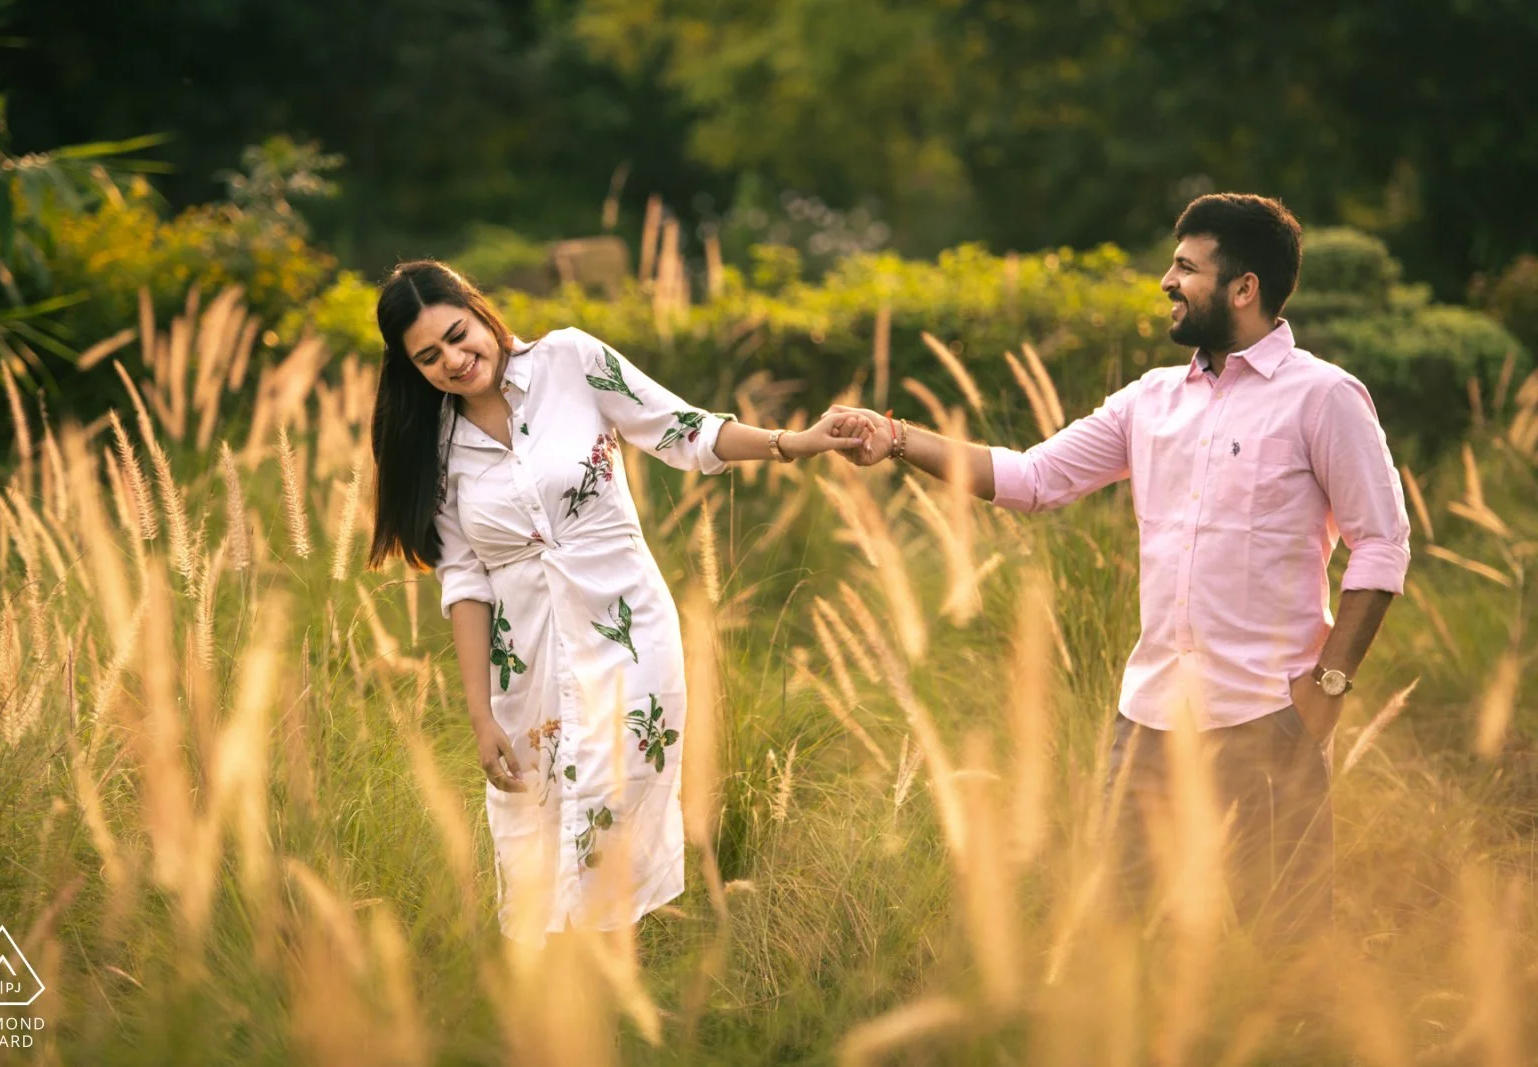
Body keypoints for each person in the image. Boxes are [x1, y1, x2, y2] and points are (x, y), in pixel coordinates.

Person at [834, 194, 1411, 939]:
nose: (1167, 281)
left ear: (1245, 287)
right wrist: (896, 437)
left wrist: (1325, 690)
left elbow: (1383, 544)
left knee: (1284, 953)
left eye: (1186, 267)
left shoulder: (1324, 397)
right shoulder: (1151, 400)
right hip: (1148, 726)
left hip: (1269, 722)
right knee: (1118, 948)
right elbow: (1032, 478)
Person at [366, 260, 873, 943]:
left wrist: (795, 442)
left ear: (481, 312)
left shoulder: (571, 361)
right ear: (411, 367)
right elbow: (464, 581)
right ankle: (562, 995)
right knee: (539, 821)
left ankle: (611, 974)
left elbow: (685, 430)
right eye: (429, 357)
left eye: (459, 336)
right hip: (528, 661)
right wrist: (481, 713)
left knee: (613, 801)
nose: (454, 360)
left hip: (625, 630)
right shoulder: (437, 444)